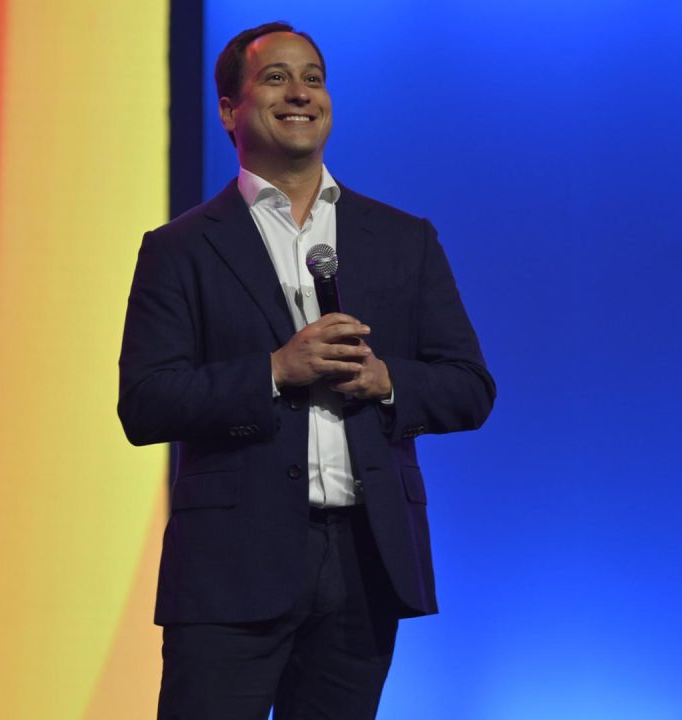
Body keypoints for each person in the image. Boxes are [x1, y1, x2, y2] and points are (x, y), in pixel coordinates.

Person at [118, 20, 495, 719]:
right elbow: (145, 403)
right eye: (275, 77)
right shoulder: (180, 250)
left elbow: (470, 387)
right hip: (230, 566)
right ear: (230, 110)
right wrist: (274, 371)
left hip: (364, 562)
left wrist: (387, 382)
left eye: (314, 78)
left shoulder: (402, 240)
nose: (300, 93)